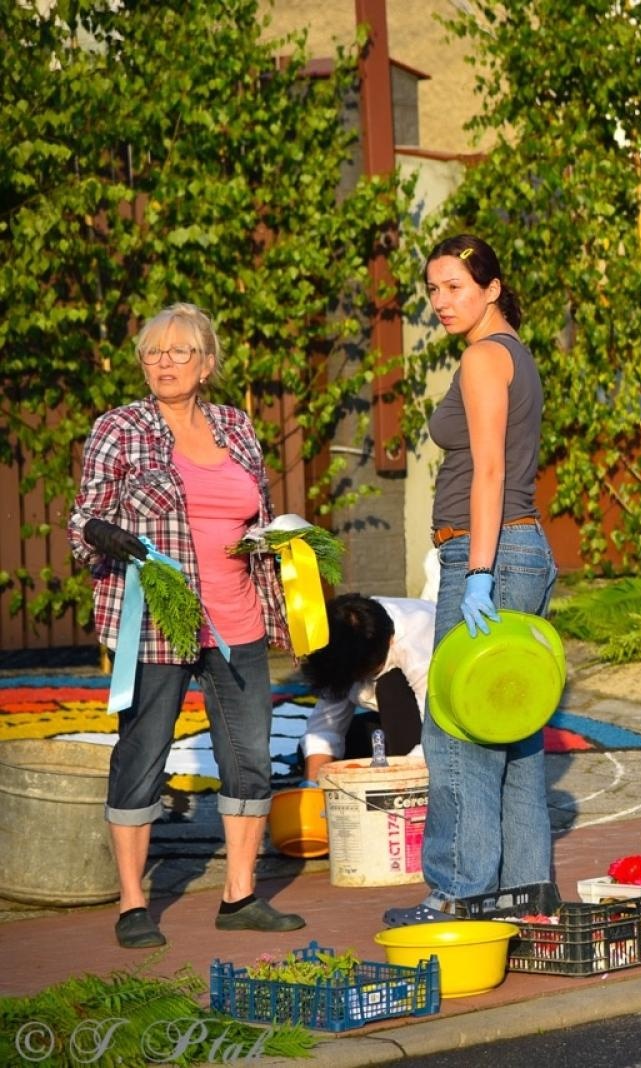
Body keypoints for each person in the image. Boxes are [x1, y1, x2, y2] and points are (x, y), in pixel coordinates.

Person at [68, 302, 305, 948]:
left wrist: (283, 544)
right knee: (143, 754)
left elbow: (258, 515)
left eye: (178, 352)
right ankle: (134, 902)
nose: (162, 363)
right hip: (156, 623)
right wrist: (105, 535)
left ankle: (240, 895)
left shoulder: (236, 425)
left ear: (206, 363)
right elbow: (81, 521)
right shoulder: (120, 429)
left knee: (250, 759)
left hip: (238, 618)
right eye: (152, 352)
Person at [383, 234, 557, 926]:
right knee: (511, 726)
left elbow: (489, 471)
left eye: (454, 286)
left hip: (489, 551)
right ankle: (526, 894)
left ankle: (458, 892)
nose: (439, 301)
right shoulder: (512, 351)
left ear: (490, 287)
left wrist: (478, 573)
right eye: (432, 288)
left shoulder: (486, 358)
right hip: (520, 548)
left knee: (456, 726)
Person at [298, 593, 435, 783]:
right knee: (312, 756)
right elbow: (325, 726)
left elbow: (437, 736)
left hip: (443, 726)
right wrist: (313, 785)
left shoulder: (418, 646)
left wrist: (403, 780)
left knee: (390, 686)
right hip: (391, 721)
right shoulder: (346, 637)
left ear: (389, 642)